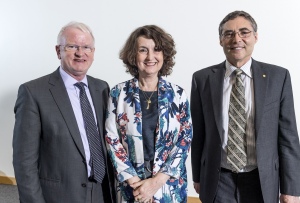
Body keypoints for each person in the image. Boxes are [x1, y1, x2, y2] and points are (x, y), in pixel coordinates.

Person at [190, 10, 300, 203]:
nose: (236, 39)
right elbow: (198, 133)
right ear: (221, 40)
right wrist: (197, 176)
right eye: (229, 34)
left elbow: (288, 138)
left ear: (256, 37)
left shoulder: (278, 77)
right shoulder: (202, 79)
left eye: (244, 32)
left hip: (262, 180)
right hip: (218, 180)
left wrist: (291, 189)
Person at [13, 21, 115, 203]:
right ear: (58, 50)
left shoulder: (102, 88)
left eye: (86, 47)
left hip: (102, 193)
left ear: (93, 53)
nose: (80, 53)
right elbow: (24, 163)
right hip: (59, 196)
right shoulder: (33, 92)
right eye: (72, 46)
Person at [105, 25, 193, 203]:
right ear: (133, 55)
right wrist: (137, 185)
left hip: (168, 187)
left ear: (164, 55)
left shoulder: (178, 95)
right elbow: (112, 140)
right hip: (131, 187)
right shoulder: (118, 93)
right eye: (143, 50)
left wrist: (155, 183)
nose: (150, 57)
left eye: (156, 50)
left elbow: (184, 141)